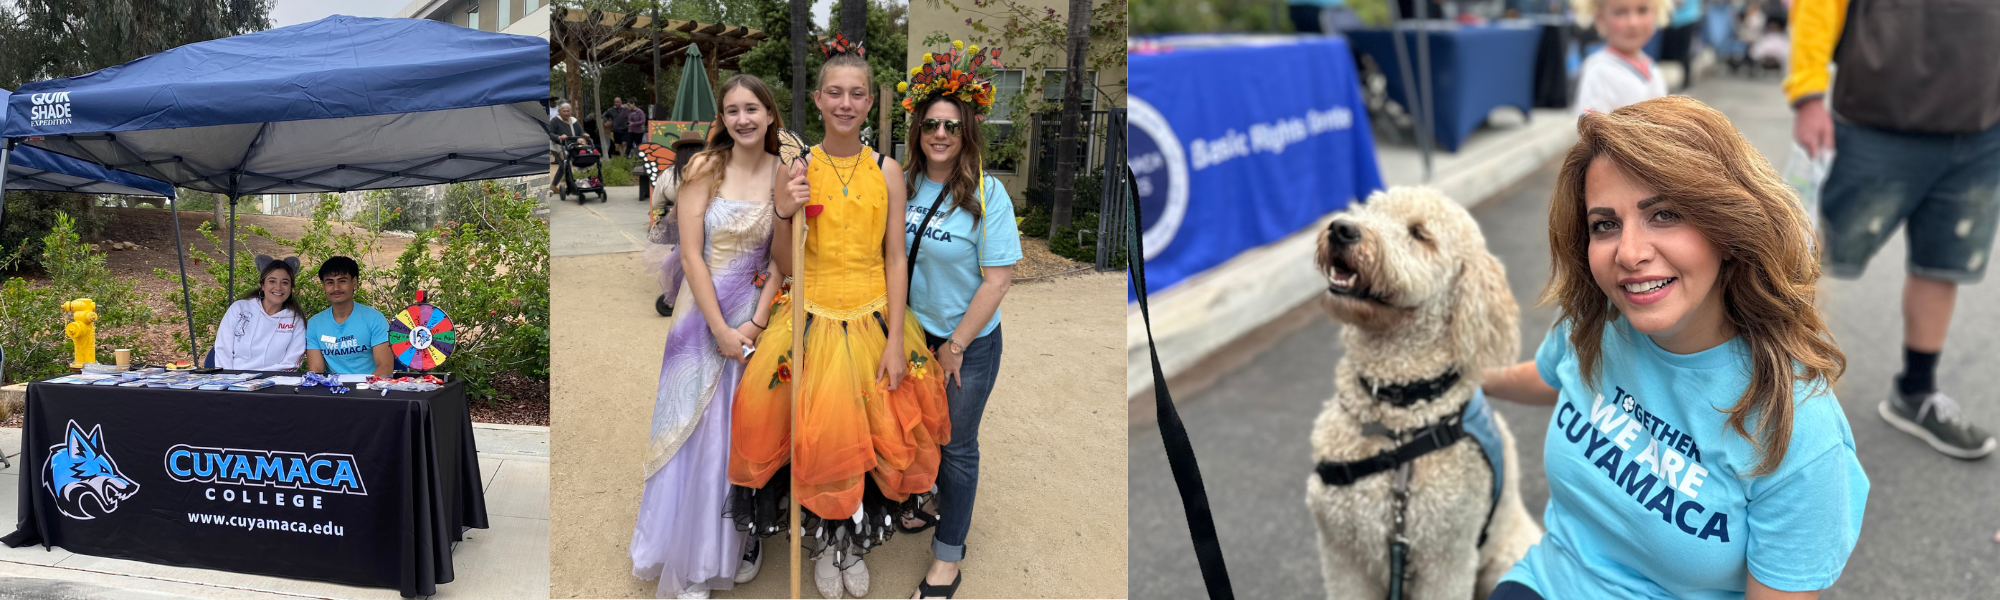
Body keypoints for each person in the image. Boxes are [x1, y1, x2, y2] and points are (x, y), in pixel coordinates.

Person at [1481, 97, 1866, 600]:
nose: (1630, 253)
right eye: (1605, 224)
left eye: (1664, 214)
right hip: (1547, 581)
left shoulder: (1799, 430)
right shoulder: (1598, 323)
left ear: (1728, 229)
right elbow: (1550, 375)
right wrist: (1467, 381)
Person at [730, 34, 951, 600]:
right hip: (809, 316)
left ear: (870, 101)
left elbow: (896, 256)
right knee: (793, 422)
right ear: (820, 102)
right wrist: (785, 210)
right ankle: (805, 536)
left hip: (877, 317)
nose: (846, 103)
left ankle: (845, 542)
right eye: (835, 93)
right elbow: (783, 262)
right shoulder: (796, 168)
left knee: (871, 437)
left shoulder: (890, 170)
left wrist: (898, 342)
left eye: (856, 94)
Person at [1788, 0, 2000, 459]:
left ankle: (1916, 392)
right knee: (1803, 256)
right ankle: (1771, 388)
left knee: (1942, 265)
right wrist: (1807, 94)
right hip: (1873, 122)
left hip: (1981, 125)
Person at [629, 74, 786, 600]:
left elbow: (784, 262)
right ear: (724, 118)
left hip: (756, 316)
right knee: (691, 430)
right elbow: (691, 253)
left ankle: (734, 541)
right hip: (701, 319)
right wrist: (720, 327)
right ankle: (687, 559)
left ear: (769, 115)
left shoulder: (783, 172)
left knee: (741, 431)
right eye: (733, 110)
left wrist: (757, 323)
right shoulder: (704, 168)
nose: (743, 119)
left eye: (752, 108)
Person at [889, 41, 1022, 600]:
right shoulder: (903, 184)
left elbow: (998, 279)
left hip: (967, 342)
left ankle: (948, 558)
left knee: (958, 444)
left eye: (951, 125)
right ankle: (936, 497)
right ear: (918, 130)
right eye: (930, 125)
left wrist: (958, 346)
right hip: (916, 337)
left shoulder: (988, 195)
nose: (940, 134)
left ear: (967, 132)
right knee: (922, 431)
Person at [648, 129, 717, 318]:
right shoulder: (713, 172)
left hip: (678, 225)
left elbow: (657, 203)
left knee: (685, 256)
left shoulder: (668, 174)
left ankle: (681, 291)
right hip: (711, 224)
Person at [1573, 0, 1671, 115]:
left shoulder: (1653, 69)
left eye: (1642, 10)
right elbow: (1589, 128)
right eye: (1620, 12)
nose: (1633, 22)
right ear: (1600, 18)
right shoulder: (1598, 71)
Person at [211, 254, 307, 371]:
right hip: (233, 383)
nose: (278, 287)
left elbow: (291, 362)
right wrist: (228, 379)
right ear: (262, 285)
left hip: (274, 383)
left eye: (285, 282)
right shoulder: (239, 308)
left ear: (291, 287)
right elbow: (223, 349)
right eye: (272, 281)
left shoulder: (295, 320)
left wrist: (260, 382)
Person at [304, 256, 392, 377]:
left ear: (354, 282)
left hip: (370, 390)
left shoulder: (374, 319)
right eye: (330, 282)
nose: (336, 288)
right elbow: (316, 371)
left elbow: (385, 367)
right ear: (324, 286)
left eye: (342, 281)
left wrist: (361, 389)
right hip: (334, 391)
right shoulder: (315, 323)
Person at [551, 102, 591, 195]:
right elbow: (550, 133)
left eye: (568, 111)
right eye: (564, 111)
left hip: (569, 146)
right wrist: (559, 137)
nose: (566, 113)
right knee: (564, 166)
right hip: (556, 146)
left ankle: (553, 187)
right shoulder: (555, 120)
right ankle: (571, 185)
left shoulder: (573, 120)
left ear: (571, 111)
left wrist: (584, 134)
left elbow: (580, 131)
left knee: (563, 167)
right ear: (560, 112)